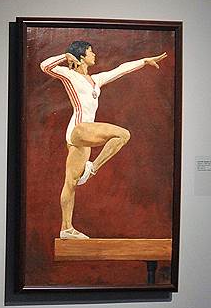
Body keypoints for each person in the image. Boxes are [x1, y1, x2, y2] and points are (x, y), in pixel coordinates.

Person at [40, 41, 167, 240]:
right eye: (90, 52)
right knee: (123, 134)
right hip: (79, 129)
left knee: (71, 182)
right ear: (81, 56)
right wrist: (66, 56)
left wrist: (144, 61)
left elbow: (120, 70)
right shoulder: (69, 75)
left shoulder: (95, 80)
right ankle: (92, 168)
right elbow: (45, 66)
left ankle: (66, 228)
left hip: (83, 134)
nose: (94, 55)